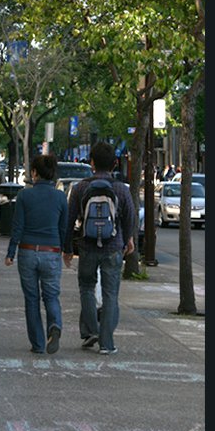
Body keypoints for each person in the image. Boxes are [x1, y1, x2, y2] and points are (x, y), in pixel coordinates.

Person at [63, 141, 135, 355]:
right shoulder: (121, 189)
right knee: (111, 294)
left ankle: (91, 331)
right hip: (113, 247)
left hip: (86, 246)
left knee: (86, 288)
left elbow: (69, 220)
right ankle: (107, 343)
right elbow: (130, 218)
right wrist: (127, 240)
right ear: (114, 163)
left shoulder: (80, 187)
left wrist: (68, 247)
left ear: (91, 162)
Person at [5, 154, 68, 354]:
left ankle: (38, 344)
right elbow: (63, 228)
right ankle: (54, 326)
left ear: (34, 173)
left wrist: (11, 251)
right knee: (51, 295)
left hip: (28, 250)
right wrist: (65, 250)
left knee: (31, 298)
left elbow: (17, 226)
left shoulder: (24, 195)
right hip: (51, 251)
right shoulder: (60, 197)